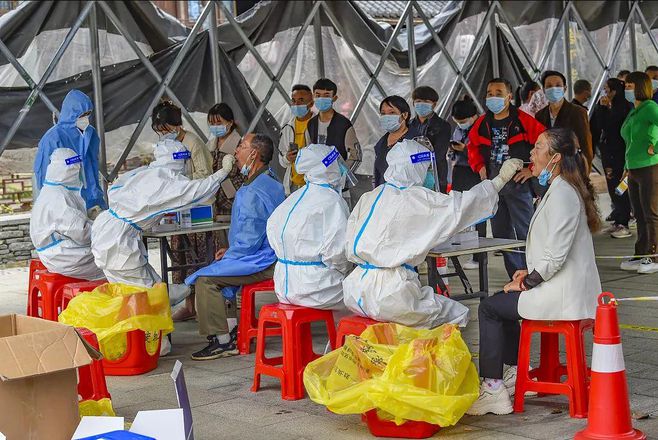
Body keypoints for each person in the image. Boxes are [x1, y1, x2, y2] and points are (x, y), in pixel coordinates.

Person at [466, 128, 601, 416]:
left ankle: (492, 388)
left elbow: (555, 257)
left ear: (555, 158)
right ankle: (514, 374)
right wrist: (527, 272)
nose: (531, 153)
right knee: (503, 304)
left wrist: (526, 283)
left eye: (538, 148)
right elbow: (553, 250)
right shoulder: (559, 189)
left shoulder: (563, 193)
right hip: (559, 286)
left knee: (489, 307)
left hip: (563, 294)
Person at [342, 138, 523, 328]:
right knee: (459, 314)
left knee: (429, 302)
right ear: (416, 167)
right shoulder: (416, 198)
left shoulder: (371, 196)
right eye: (426, 168)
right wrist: (499, 180)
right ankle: (425, 358)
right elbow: (462, 207)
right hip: (391, 295)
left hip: (355, 291)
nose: (428, 174)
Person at [185, 134, 285, 360]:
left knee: (206, 280)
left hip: (262, 260)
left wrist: (231, 253)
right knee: (219, 267)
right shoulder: (269, 180)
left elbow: (250, 238)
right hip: (268, 254)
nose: (236, 151)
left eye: (241, 146)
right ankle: (230, 329)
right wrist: (230, 251)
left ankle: (222, 341)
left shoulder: (252, 191)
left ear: (254, 154)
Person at [91, 139, 233, 291]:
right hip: (119, 242)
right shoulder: (165, 179)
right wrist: (222, 172)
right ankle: (171, 297)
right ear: (181, 160)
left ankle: (172, 295)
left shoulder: (145, 172)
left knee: (143, 287)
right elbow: (196, 192)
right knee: (142, 294)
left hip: (107, 230)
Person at [467, 78, 545, 278]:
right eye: (490, 93)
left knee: (526, 230)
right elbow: (472, 146)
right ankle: (515, 275)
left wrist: (532, 170)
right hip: (494, 185)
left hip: (519, 184)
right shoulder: (482, 123)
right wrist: (480, 167)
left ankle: (534, 273)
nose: (493, 97)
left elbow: (546, 145)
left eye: (499, 93)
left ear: (509, 97)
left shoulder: (524, 120)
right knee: (501, 235)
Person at [150, 101, 215, 321]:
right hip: (176, 209)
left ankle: (203, 305)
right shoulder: (164, 148)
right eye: (158, 131)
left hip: (197, 207)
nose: (162, 134)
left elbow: (205, 174)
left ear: (176, 125)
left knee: (199, 259)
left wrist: (181, 183)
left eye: (164, 129)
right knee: (179, 259)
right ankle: (188, 306)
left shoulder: (193, 143)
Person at [267, 143, 350, 310]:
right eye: (336, 163)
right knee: (360, 296)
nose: (340, 167)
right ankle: (339, 336)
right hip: (316, 289)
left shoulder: (292, 199)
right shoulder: (332, 201)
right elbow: (338, 254)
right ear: (328, 167)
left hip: (283, 286)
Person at [30, 148, 104, 280]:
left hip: (57, 253)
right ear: (70, 170)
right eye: (76, 169)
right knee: (114, 258)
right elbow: (82, 233)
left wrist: (88, 215)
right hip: (64, 257)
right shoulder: (58, 197)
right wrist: (104, 224)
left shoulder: (51, 190)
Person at [34, 89, 106, 214]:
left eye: (88, 113)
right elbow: (43, 175)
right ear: (70, 113)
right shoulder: (53, 138)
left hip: (92, 199)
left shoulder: (91, 133)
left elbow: (92, 168)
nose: (85, 118)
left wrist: (96, 198)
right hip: (65, 203)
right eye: (81, 115)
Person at [619, 72, 658, 274]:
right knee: (639, 214)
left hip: (650, 167)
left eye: (630, 86)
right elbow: (630, 141)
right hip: (633, 168)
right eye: (626, 86)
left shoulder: (650, 107)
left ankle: (653, 255)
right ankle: (641, 252)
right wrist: (626, 166)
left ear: (641, 87)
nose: (627, 90)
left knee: (651, 213)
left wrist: (656, 147)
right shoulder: (634, 111)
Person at [590, 78, 633, 238]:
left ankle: (624, 221)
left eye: (608, 89)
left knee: (621, 188)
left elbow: (611, 126)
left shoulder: (625, 108)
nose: (606, 93)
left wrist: (603, 109)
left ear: (615, 91)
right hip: (609, 154)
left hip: (621, 155)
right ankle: (618, 219)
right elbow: (598, 126)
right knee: (613, 187)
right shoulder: (609, 107)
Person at [450, 96, 484, 270]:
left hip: (475, 171)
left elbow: (482, 151)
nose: (460, 124)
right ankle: (453, 250)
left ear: (473, 117)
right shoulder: (458, 129)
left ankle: (479, 256)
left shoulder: (481, 128)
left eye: (463, 121)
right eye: (457, 121)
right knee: (456, 210)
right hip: (460, 170)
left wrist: (466, 149)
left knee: (479, 214)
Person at [535, 71, 593, 171]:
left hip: (571, 170)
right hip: (547, 170)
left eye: (558, 85)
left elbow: (585, 145)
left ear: (565, 88)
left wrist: (585, 173)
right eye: (549, 86)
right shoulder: (540, 115)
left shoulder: (578, 112)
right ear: (544, 90)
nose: (553, 89)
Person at [305, 78, 362, 177]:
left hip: (338, 186)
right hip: (316, 183)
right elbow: (308, 151)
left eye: (326, 95)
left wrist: (342, 174)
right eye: (318, 95)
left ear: (334, 98)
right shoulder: (311, 124)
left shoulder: (344, 125)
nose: (321, 98)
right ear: (313, 97)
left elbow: (356, 156)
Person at [409, 86, 452, 192]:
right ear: (413, 103)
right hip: (412, 177)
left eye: (426, 101)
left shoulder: (443, 126)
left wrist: (413, 158)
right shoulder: (409, 125)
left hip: (435, 176)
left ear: (434, 104)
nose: (421, 104)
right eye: (418, 101)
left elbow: (438, 154)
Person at [373, 95, 419, 187]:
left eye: (392, 112)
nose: (386, 117)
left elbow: (427, 174)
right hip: (385, 195)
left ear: (404, 115)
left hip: (410, 196)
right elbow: (377, 174)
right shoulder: (381, 143)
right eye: (383, 113)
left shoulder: (416, 141)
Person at [278, 84, 315, 195]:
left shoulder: (318, 125)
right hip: (292, 185)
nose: (296, 104)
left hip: (313, 184)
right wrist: (287, 158)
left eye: (301, 100)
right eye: (293, 101)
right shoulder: (287, 128)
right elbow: (282, 161)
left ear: (311, 104)